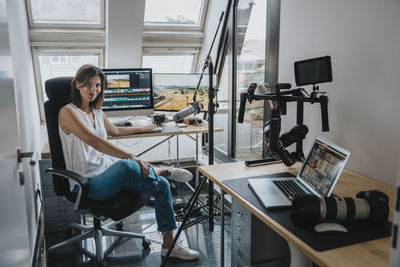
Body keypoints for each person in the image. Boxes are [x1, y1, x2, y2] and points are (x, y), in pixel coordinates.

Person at [58, 64, 199, 261]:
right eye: (88, 84)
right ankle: (161, 169)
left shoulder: (96, 111)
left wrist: (144, 129)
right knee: (126, 164)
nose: (93, 90)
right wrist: (132, 157)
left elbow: (114, 131)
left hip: (109, 175)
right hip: (88, 184)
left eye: (98, 85)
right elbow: (94, 141)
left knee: (162, 186)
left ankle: (169, 245)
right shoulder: (68, 112)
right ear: (78, 84)